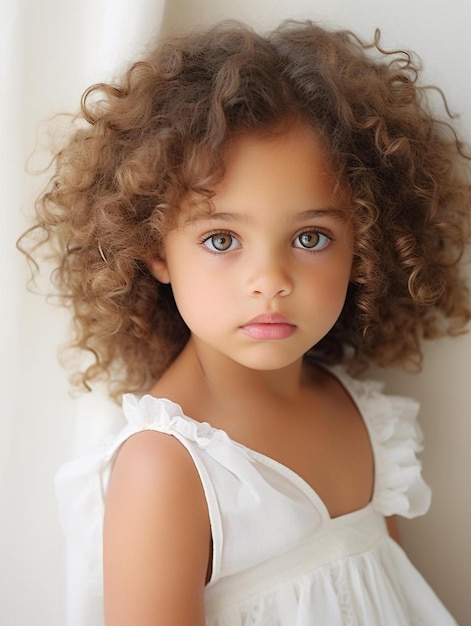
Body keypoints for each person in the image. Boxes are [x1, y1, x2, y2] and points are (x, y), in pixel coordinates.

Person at [20, 19, 471, 626]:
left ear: (363, 243)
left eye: (311, 237)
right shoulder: (168, 470)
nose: (270, 279)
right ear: (155, 249)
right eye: (222, 238)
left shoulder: (363, 417)